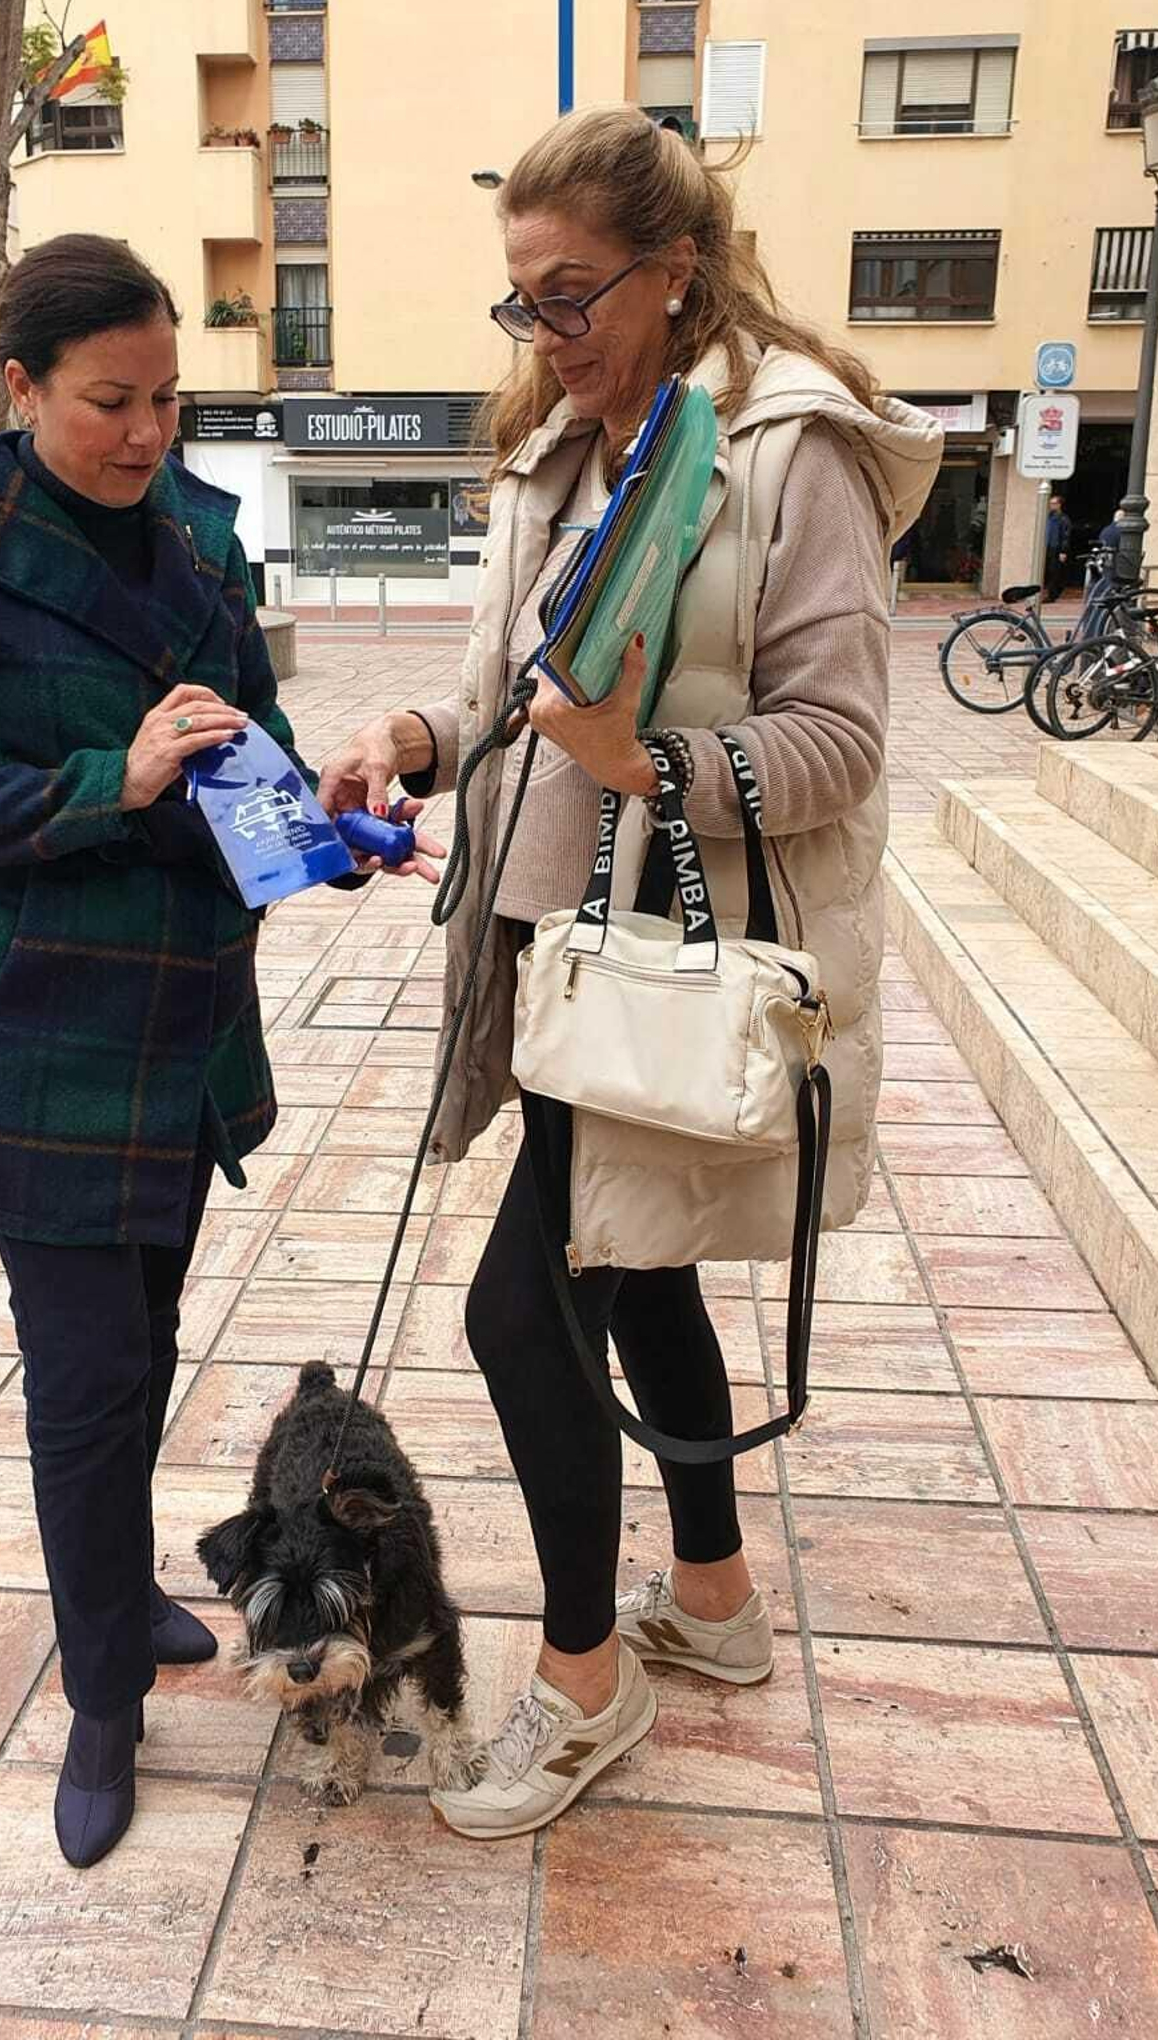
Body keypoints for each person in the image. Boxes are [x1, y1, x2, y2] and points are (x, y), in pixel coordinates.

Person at [320, 106, 941, 1841]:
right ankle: (718, 1606)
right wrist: (413, 735)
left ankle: (589, 1683)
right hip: (558, 950)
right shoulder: (561, 450)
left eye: (572, 295)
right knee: (640, 1273)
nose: (544, 334)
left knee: (522, 1311)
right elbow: (504, 692)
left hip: (671, 955)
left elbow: (840, 743)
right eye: (520, 300)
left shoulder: (783, 454)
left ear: (675, 274)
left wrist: (652, 764)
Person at [0, 232, 435, 1871]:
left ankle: (121, 1605)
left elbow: (241, 777)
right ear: (20, 387)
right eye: (109, 399)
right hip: (40, 1034)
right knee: (88, 1388)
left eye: (168, 396)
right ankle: (103, 1679)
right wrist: (107, 776)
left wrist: (337, 834)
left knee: (143, 1347)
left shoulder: (199, 542)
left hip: (180, 1033)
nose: (145, 429)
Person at [1044, 493, 1072, 602]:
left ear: (1059, 505)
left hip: (1056, 548)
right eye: (1050, 503)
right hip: (1048, 547)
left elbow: (1066, 536)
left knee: (1055, 572)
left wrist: (1063, 551)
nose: (1051, 505)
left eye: (1054, 503)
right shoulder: (1048, 517)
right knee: (1048, 571)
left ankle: (1052, 595)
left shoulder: (1063, 519)